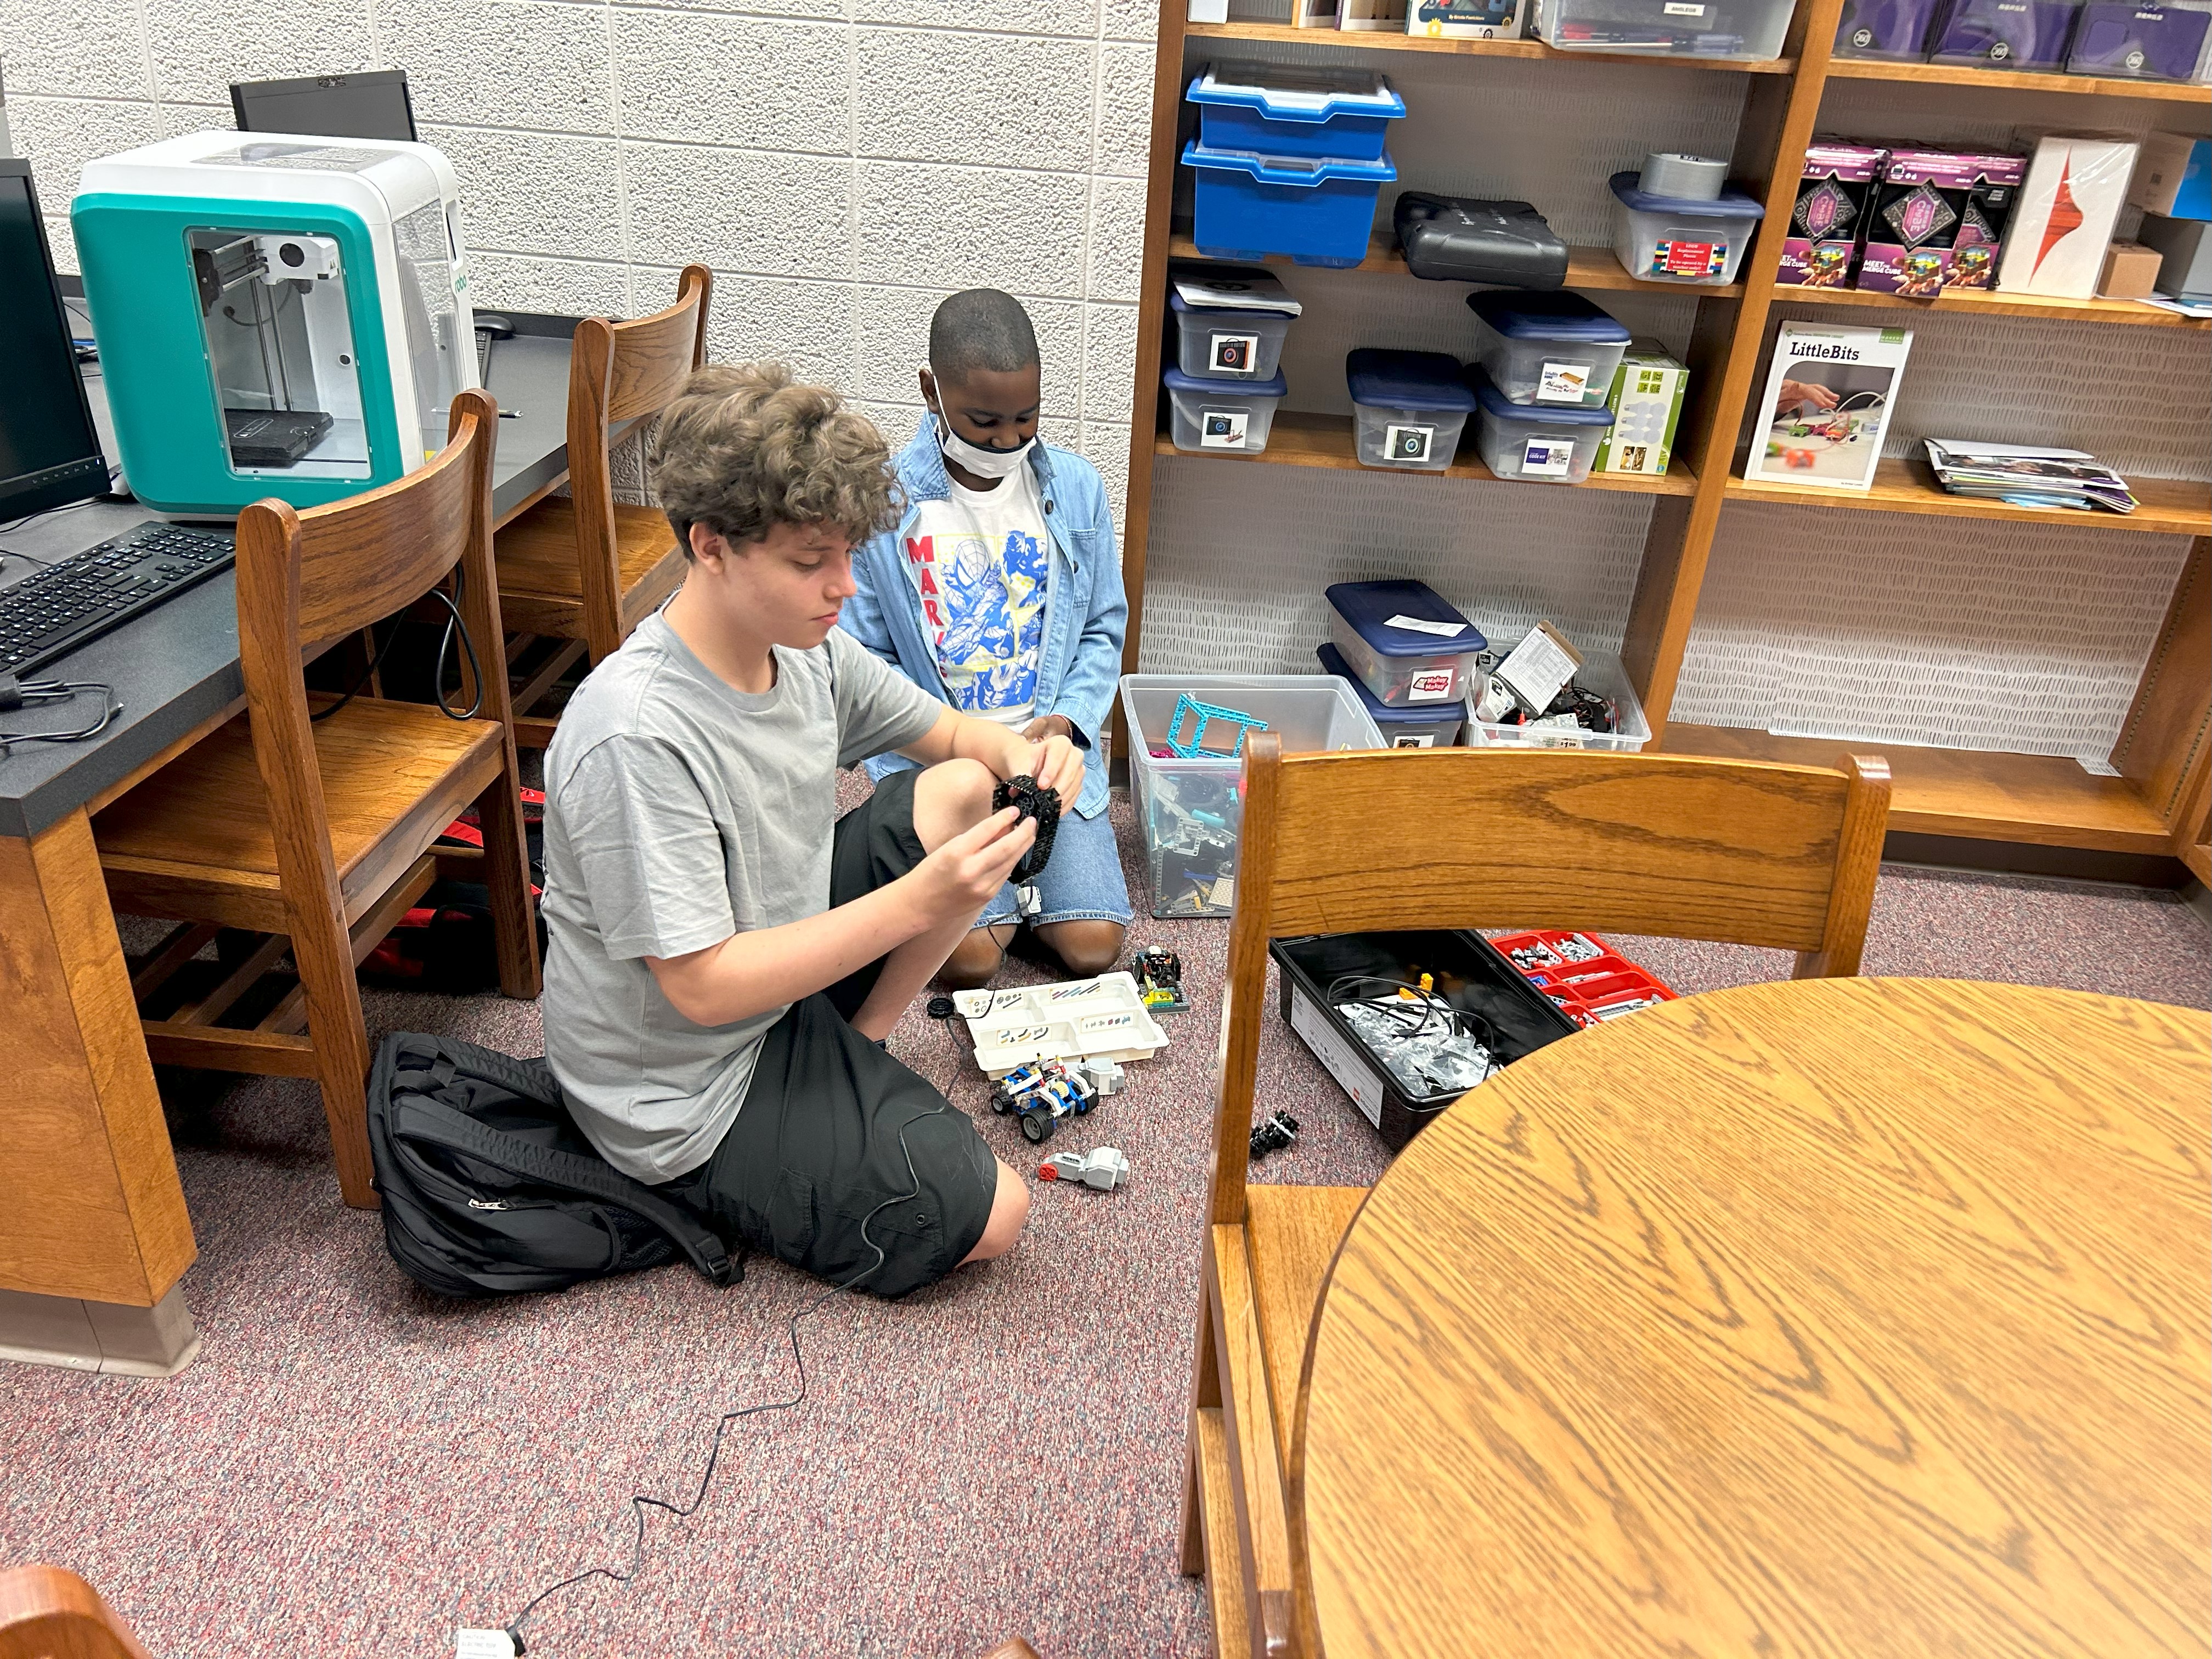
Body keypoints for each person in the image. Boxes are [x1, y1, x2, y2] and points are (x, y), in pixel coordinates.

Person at [537, 363, 1085, 1297]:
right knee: (996, 1213)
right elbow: (704, 989)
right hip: (682, 1087)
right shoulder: (635, 736)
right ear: (710, 547)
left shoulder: (807, 650)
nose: (842, 585)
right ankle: (727, 1163)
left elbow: (956, 736)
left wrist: (1034, 752)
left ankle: (853, 1045)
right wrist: (925, 898)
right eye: (808, 561)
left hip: (772, 973)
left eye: (846, 553)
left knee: (957, 788)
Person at [839, 289, 1131, 991]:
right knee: (972, 960)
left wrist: (1066, 723)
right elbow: (863, 660)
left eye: (1026, 419)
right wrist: (957, 743)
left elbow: (1101, 627)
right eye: (984, 422)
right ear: (930, 392)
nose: (1007, 440)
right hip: (943, 764)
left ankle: (1026, 885)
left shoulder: (1078, 489)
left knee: (1093, 945)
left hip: (1046, 762)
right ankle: (994, 893)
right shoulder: (884, 502)